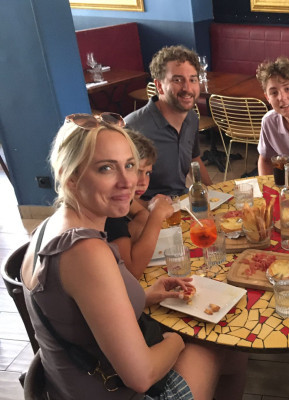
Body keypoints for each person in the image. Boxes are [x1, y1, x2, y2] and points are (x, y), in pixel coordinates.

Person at [21, 114, 247, 400]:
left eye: (129, 165)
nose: (127, 181)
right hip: (117, 392)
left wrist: (145, 296)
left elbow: (78, 312)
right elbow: (142, 376)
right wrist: (177, 340)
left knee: (228, 355)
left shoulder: (49, 225)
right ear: (71, 175)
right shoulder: (85, 251)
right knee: (225, 346)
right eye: (106, 168)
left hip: (65, 385)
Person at [125, 45, 212, 200]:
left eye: (192, 79)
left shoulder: (192, 118)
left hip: (181, 200)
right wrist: (146, 210)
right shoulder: (132, 127)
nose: (187, 88)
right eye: (177, 80)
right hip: (148, 207)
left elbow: (194, 160)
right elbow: (118, 189)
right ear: (159, 86)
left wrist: (214, 193)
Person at [104, 129, 175, 279]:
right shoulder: (110, 208)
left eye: (147, 173)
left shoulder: (124, 197)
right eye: (137, 171)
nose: (143, 182)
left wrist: (148, 213)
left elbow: (141, 213)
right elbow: (132, 272)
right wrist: (157, 214)